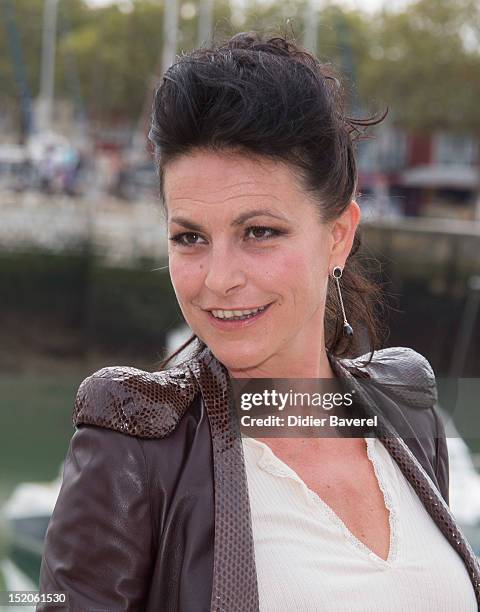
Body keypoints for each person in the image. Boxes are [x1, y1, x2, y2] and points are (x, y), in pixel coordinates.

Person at [37, 31, 479, 611]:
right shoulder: (133, 450)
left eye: (259, 232)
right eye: (190, 237)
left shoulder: (408, 410)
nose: (219, 279)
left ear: (338, 235)